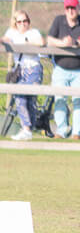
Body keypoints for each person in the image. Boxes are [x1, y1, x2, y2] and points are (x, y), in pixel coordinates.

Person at [47, 0, 80, 139]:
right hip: (60, 68)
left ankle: (76, 133)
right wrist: (63, 43)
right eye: (68, 8)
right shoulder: (58, 20)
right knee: (59, 99)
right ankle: (61, 131)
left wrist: (75, 42)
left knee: (78, 100)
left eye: (73, 8)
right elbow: (50, 39)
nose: (70, 11)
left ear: (78, 8)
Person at [3, 10, 46, 140]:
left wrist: (27, 43)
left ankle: (28, 129)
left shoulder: (33, 33)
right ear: (15, 23)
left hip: (33, 69)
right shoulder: (12, 32)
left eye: (25, 21)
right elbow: (6, 39)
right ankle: (26, 128)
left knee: (30, 99)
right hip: (20, 70)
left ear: (29, 22)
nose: (22, 24)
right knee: (20, 96)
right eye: (19, 22)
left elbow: (41, 42)